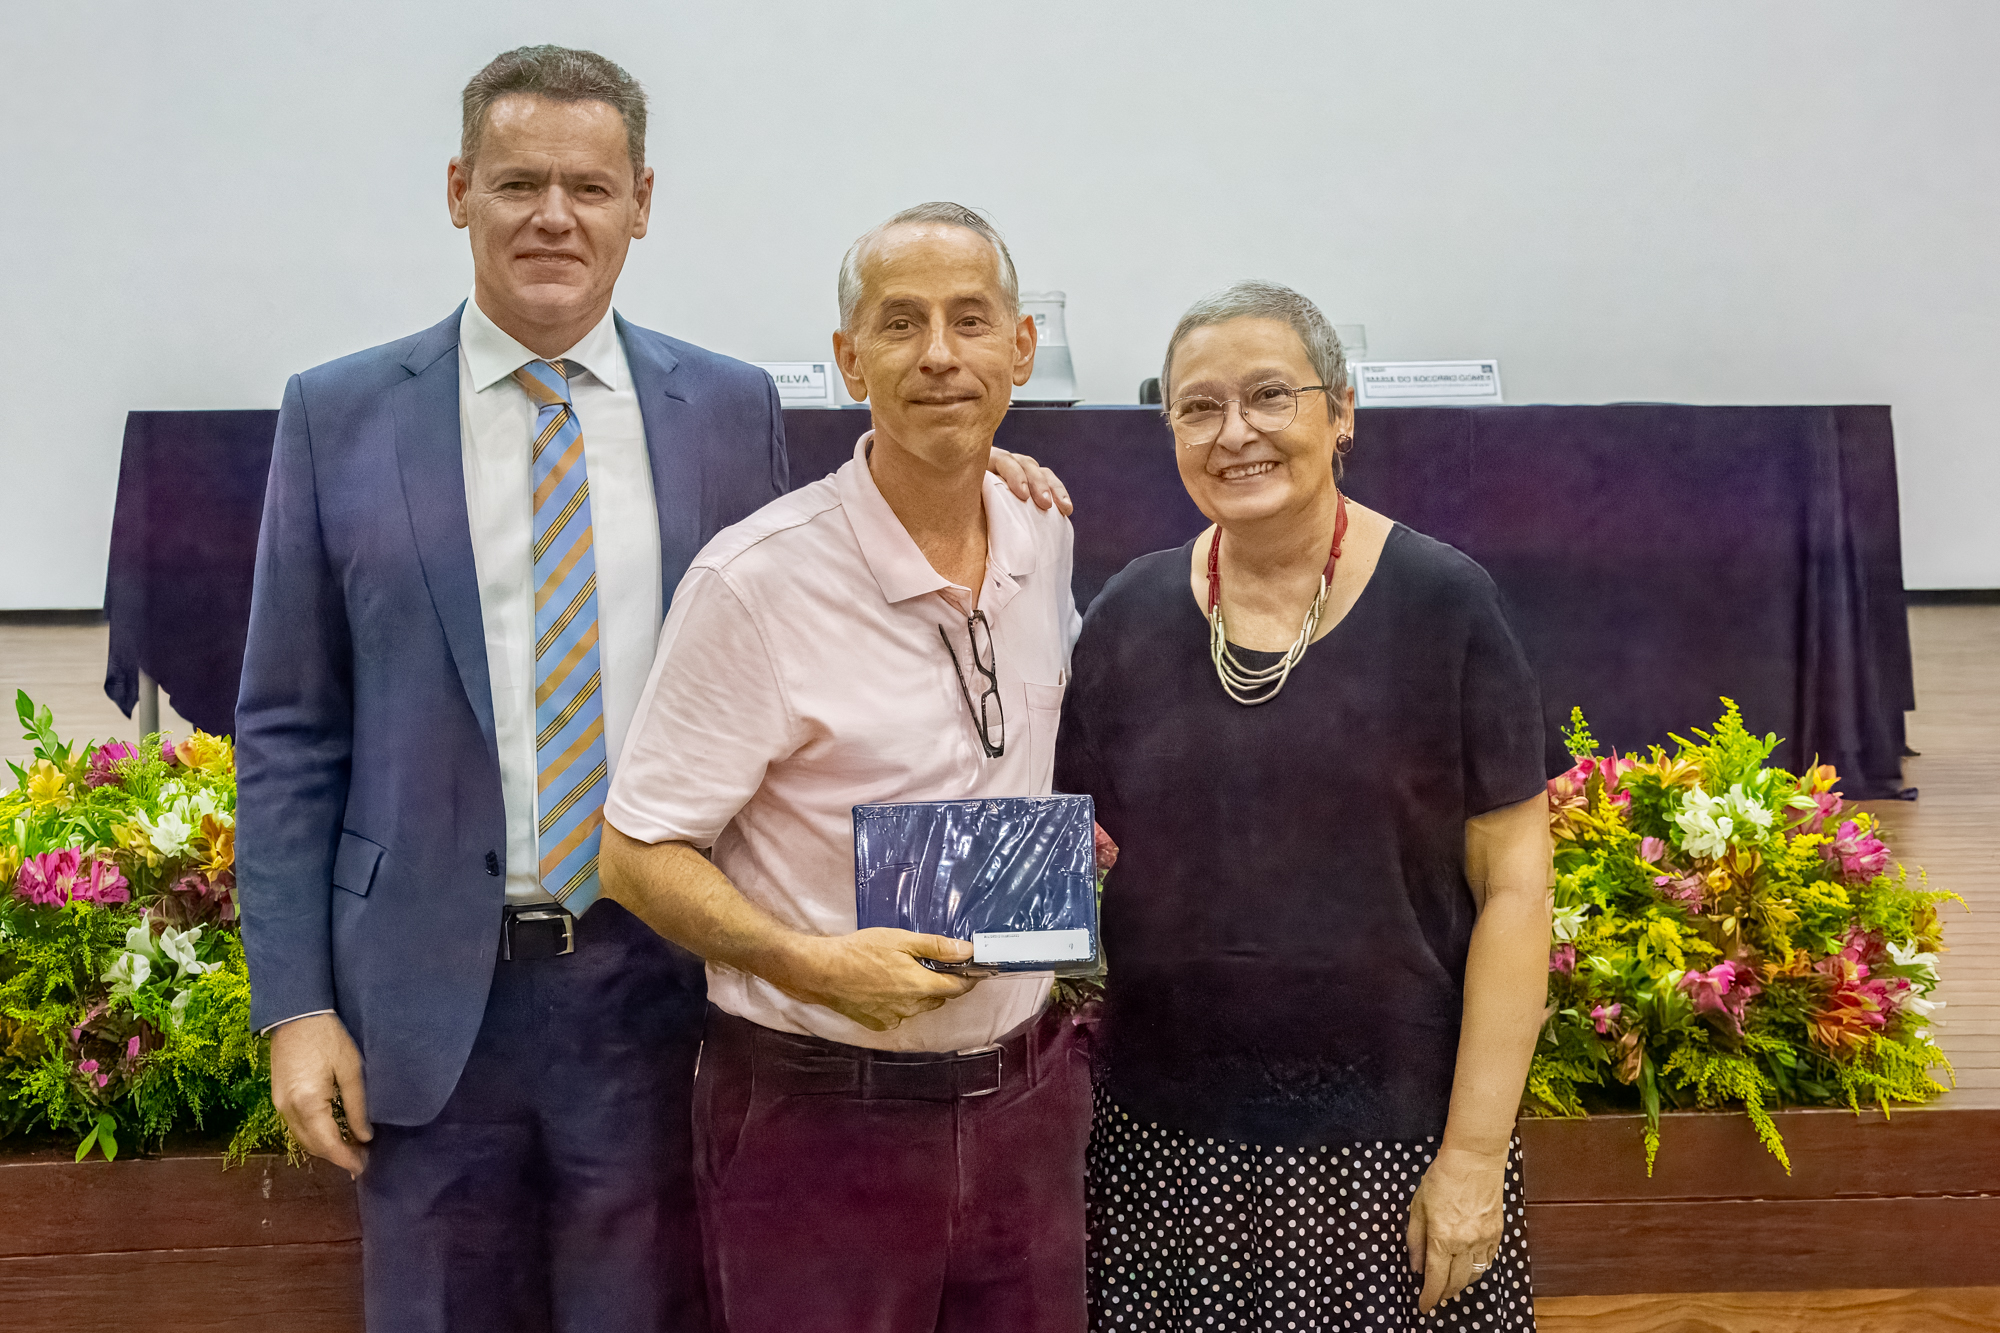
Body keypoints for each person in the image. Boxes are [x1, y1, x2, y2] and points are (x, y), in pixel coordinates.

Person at [235, 49, 1067, 1332]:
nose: (553, 217)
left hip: (657, 984)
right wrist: (295, 1005)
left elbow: (817, 574)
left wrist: (969, 454)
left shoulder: (725, 408)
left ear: (640, 203)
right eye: (518, 183)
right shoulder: (337, 414)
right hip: (424, 996)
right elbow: (289, 728)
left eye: (588, 187)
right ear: (457, 191)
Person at [601, 202, 1093, 1333]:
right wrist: (810, 963)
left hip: (1024, 1110)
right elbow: (632, 855)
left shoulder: (1043, 529)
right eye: (900, 322)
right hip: (819, 1119)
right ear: (848, 358)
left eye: (971, 320)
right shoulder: (753, 582)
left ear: (1021, 347)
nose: (939, 354)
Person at [1055, 280, 1554, 1331]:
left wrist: (1472, 1154)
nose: (1234, 432)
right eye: (1198, 407)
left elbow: (1515, 889)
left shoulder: (1445, 604)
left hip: (1393, 1149)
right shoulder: (1128, 613)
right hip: (1163, 1147)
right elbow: (1066, 844)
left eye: (1270, 395)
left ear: (1341, 411)